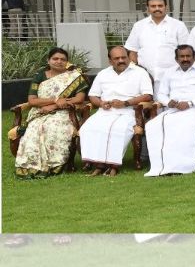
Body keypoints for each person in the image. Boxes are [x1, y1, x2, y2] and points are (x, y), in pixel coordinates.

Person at [13, 47, 89, 178]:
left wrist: (54, 106)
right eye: (55, 58)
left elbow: (79, 99)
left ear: (67, 62)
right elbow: (32, 101)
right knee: (35, 129)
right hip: (39, 112)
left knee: (53, 127)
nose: (59, 61)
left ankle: (54, 165)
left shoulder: (75, 77)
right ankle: (30, 166)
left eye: (62, 59)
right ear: (48, 60)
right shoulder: (39, 76)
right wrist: (55, 100)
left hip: (64, 112)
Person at [145, 45, 195, 177]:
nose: (185, 59)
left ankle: (185, 165)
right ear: (176, 59)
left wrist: (190, 103)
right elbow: (161, 94)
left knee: (185, 126)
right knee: (152, 125)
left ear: (194, 57)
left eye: (188, 56)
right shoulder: (169, 72)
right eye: (181, 57)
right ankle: (160, 165)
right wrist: (168, 102)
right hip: (173, 111)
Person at [80, 46, 154, 176]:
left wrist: (125, 103)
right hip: (105, 112)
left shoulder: (139, 72)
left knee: (117, 129)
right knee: (89, 128)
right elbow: (92, 96)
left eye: (123, 57)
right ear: (110, 61)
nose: (121, 60)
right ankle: (99, 164)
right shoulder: (103, 74)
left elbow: (148, 95)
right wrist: (101, 103)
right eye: (117, 58)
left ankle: (113, 166)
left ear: (128, 57)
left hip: (129, 111)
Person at [125, 0, 190, 82]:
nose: (157, 9)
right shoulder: (139, 26)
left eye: (160, 6)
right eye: (153, 6)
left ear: (166, 7)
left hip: (173, 76)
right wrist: (137, 71)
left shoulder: (178, 25)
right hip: (145, 77)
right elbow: (132, 51)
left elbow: (186, 51)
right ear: (147, 8)